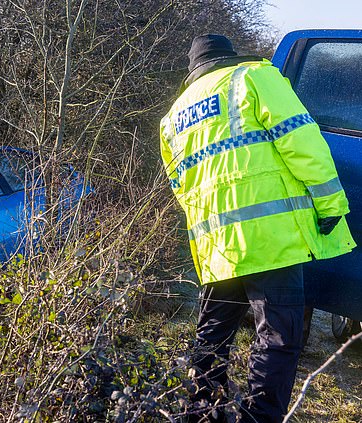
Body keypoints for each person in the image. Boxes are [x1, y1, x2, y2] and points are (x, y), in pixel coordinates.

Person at [159, 34, 356, 422]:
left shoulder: (173, 116)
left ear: (193, 68)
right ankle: (260, 417)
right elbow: (302, 142)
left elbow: (180, 187)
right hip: (271, 238)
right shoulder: (253, 77)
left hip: (217, 245)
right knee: (279, 339)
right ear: (228, 56)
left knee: (212, 335)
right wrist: (331, 202)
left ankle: (201, 411)